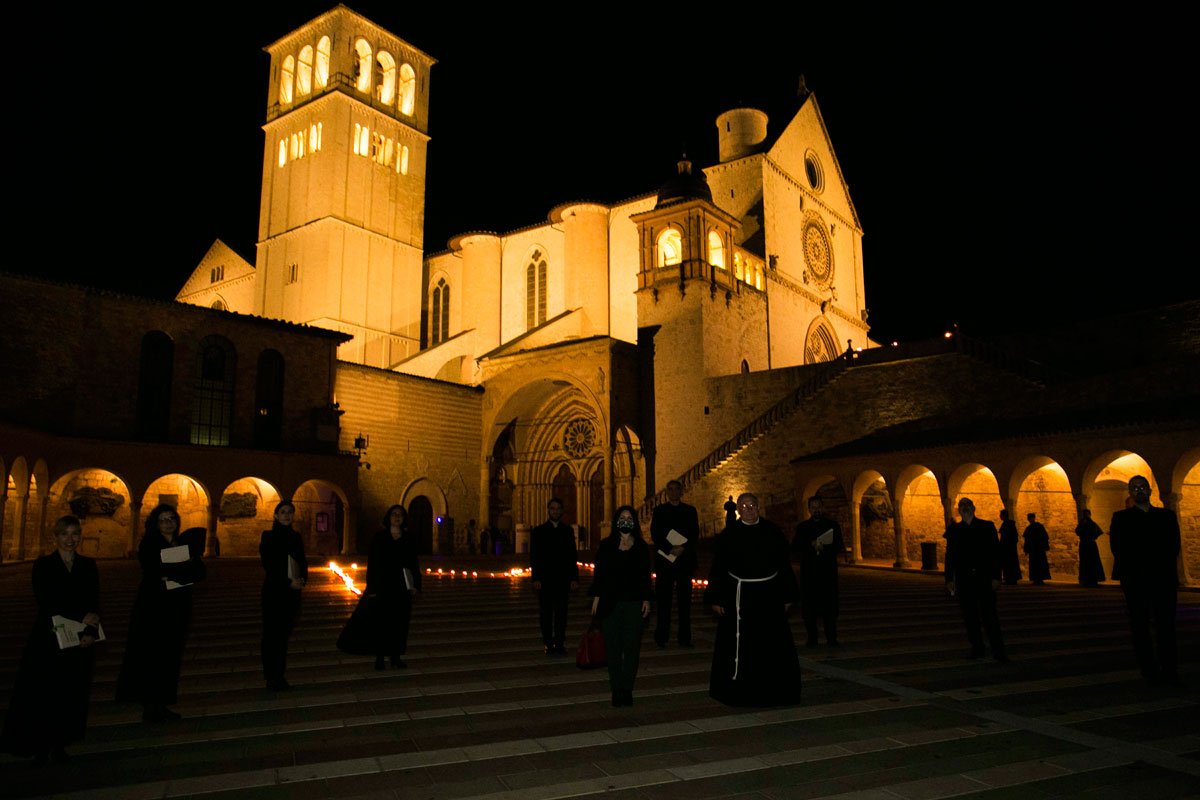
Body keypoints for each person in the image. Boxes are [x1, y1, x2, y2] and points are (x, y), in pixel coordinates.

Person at [1, 516, 100, 764]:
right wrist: (82, 615)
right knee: (44, 690)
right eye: (64, 534)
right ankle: (40, 744)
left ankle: (59, 743)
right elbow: (47, 599)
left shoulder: (88, 565)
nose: (70, 539)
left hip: (78, 636)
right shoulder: (44, 565)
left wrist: (90, 632)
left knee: (70, 692)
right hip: (49, 634)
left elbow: (94, 601)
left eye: (75, 533)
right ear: (55, 537)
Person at [704, 493, 802, 707]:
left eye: (752, 505)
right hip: (739, 597)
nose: (748, 508)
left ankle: (775, 689)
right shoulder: (729, 534)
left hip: (769, 596)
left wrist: (787, 596)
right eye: (744, 506)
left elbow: (783, 565)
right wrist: (716, 597)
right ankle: (738, 690)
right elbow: (719, 568)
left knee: (771, 644)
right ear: (738, 509)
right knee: (740, 646)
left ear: (758, 507)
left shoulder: (773, 532)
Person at [115, 504, 206, 722]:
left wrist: (176, 574)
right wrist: (183, 571)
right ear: (156, 523)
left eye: (172, 519)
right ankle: (149, 704)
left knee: (170, 656)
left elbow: (200, 571)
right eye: (163, 519)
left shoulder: (183, 543)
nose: (168, 523)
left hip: (178, 607)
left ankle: (162, 703)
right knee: (151, 655)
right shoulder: (149, 544)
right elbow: (154, 570)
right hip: (153, 607)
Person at [1109, 476, 1181, 686]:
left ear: (1149, 491)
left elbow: (1173, 545)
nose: (1139, 490)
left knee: (1166, 626)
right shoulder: (1121, 518)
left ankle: (1170, 671)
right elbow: (1118, 549)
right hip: (1136, 581)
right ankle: (1149, 669)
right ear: (1130, 493)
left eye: (1142, 487)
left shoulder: (1166, 516)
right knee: (1140, 627)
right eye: (1134, 488)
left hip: (1163, 580)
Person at [589, 505, 653, 706]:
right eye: (622, 517)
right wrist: (596, 598)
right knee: (614, 647)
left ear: (633, 522)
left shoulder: (641, 547)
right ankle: (616, 688)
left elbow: (645, 575)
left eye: (629, 518)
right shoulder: (607, 545)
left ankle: (627, 688)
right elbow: (600, 573)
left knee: (632, 647)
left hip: (634, 602)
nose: (625, 521)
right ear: (617, 521)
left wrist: (647, 599)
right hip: (611, 602)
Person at [944, 498, 1007, 661]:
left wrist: (996, 576)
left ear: (974, 508)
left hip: (984, 577)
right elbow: (950, 556)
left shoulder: (986, 527)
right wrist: (949, 578)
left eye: (968, 505)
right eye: (962, 506)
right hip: (965, 579)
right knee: (970, 617)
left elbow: (995, 553)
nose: (965, 508)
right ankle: (977, 647)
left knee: (990, 616)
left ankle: (998, 650)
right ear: (959, 510)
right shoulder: (954, 530)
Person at [366, 504, 421, 669]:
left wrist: (416, 584)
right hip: (384, 584)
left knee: (400, 623)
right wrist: (372, 587)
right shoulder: (379, 537)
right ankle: (380, 657)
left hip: (402, 586)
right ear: (388, 517)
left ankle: (396, 656)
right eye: (394, 514)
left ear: (404, 519)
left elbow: (413, 563)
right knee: (382, 623)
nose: (397, 517)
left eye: (400, 515)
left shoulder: (408, 538)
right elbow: (373, 563)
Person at [260, 500, 307, 690]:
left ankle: (280, 675)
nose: (287, 515)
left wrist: (302, 579)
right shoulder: (269, 536)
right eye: (283, 512)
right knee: (272, 634)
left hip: (292, 593)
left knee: (283, 635)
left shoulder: (296, 537)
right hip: (275, 592)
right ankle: (271, 676)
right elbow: (269, 564)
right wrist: (288, 582)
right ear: (276, 516)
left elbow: (302, 561)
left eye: (290, 512)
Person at [650, 480, 699, 647]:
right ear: (666, 492)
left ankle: (685, 638)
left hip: (684, 562)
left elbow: (694, 533)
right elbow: (655, 534)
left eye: (676, 489)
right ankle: (662, 637)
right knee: (664, 602)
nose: (673, 492)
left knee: (685, 603)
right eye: (670, 489)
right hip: (666, 561)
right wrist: (670, 548)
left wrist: (683, 548)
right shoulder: (659, 511)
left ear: (681, 491)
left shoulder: (690, 511)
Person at [792, 496, 844, 647]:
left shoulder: (832, 526)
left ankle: (832, 638)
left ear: (823, 508)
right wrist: (811, 544)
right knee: (809, 608)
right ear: (809, 510)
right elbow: (795, 546)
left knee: (830, 608)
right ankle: (812, 638)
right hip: (809, 573)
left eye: (818, 507)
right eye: (813, 508)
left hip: (827, 573)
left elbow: (838, 545)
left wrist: (825, 547)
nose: (816, 510)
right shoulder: (803, 527)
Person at [529, 498, 579, 654]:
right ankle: (548, 643)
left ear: (562, 511)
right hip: (545, 579)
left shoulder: (568, 531)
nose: (555, 511)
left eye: (558, 508)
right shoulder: (539, 531)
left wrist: (574, 578)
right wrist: (535, 578)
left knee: (561, 613)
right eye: (552, 508)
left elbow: (572, 556)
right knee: (545, 613)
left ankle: (559, 643)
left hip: (562, 579)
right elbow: (535, 556)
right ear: (548, 510)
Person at [1075, 509, 1107, 587]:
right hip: (1085, 544)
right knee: (1085, 562)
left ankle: (1093, 579)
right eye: (1084, 514)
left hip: (1090, 544)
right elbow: (1077, 531)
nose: (1086, 516)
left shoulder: (1092, 524)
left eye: (1087, 514)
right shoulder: (1082, 523)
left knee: (1093, 562)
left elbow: (1099, 532)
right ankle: (1087, 579)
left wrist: (1093, 537)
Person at [1023, 512, 1051, 585]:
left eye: (1030, 517)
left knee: (1038, 564)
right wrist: (1026, 549)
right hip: (1035, 549)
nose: (1029, 519)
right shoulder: (1031, 528)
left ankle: (1039, 579)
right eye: (1028, 518)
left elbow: (1044, 537)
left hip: (1038, 549)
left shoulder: (1037, 527)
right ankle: (1036, 579)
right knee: (1035, 564)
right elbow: (1027, 540)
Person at [997, 509, 1022, 585]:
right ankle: (1011, 579)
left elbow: (1005, 537)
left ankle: (1009, 579)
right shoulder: (1010, 525)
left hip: (1007, 548)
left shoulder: (1006, 525)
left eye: (1001, 515)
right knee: (1011, 563)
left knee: (1008, 564)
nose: (1000, 516)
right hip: (1010, 548)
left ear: (1004, 516)